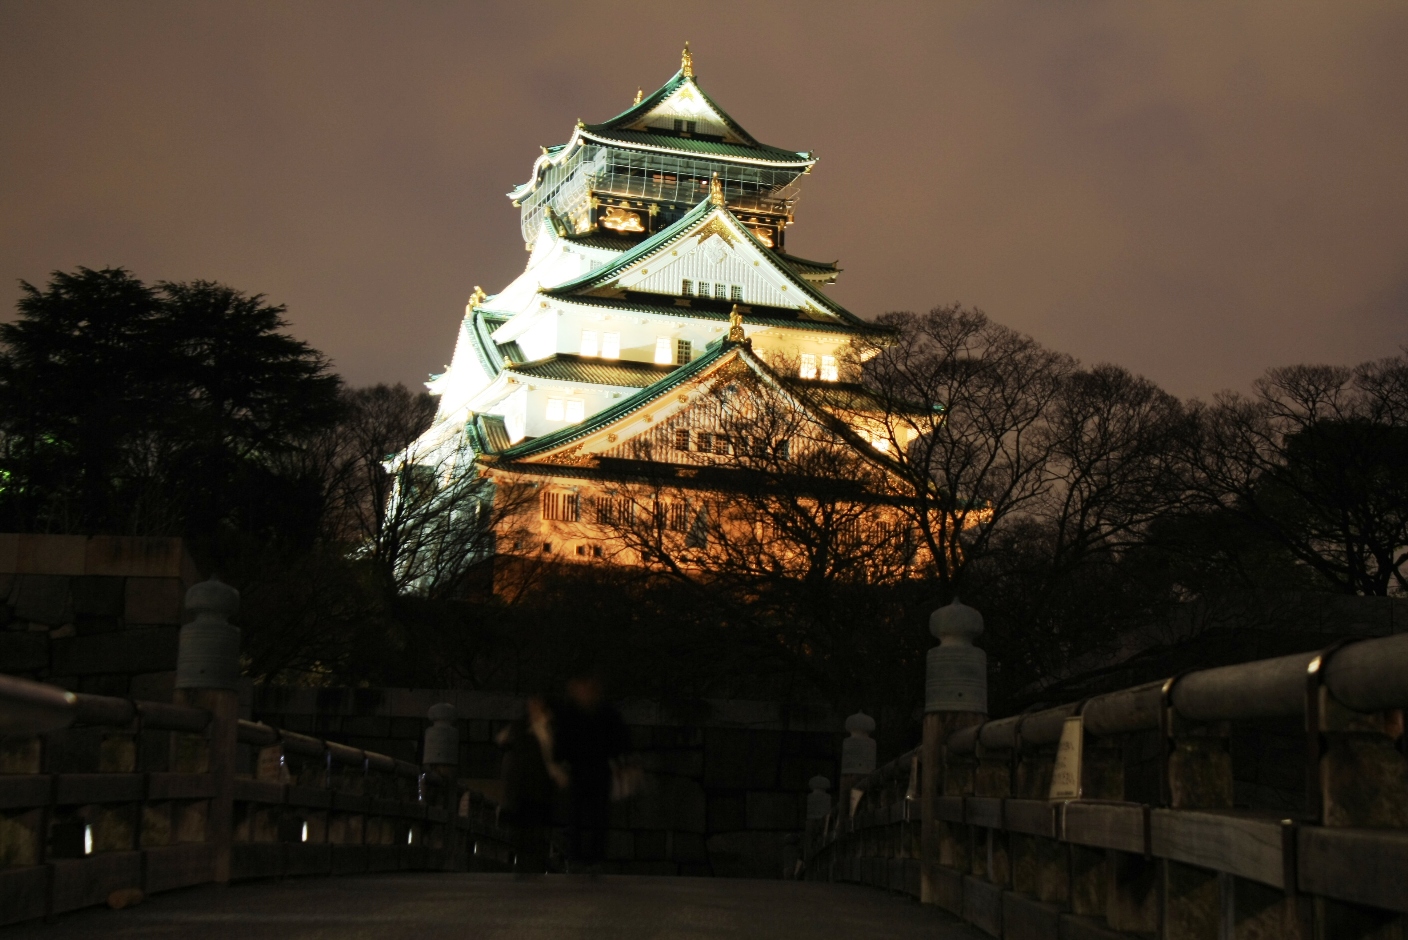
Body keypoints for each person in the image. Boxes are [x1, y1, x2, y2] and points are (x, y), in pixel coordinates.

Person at [552, 675, 629, 873]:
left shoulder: (601, 713)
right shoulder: (578, 713)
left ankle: (592, 859)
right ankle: (579, 858)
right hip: (584, 770)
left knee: (596, 817)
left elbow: (619, 738)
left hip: (595, 770)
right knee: (579, 816)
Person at [495, 695, 559, 875]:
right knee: (522, 835)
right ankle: (525, 868)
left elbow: (551, 755)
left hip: (538, 789)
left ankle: (533, 869)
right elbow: (502, 740)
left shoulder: (546, 727)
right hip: (521, 790)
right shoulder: (520, 726)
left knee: (536, 835)